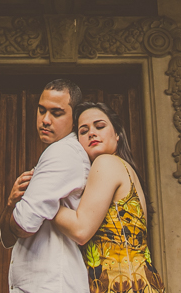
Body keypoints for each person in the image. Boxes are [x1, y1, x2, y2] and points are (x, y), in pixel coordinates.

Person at [52, 101, 165, 293]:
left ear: (117, 134)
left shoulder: (106, 163)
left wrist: (40, 202)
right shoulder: (127, 170)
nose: (92, 133)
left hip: (122, 286)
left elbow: (80, 229)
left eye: (100, 126)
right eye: (83, 130)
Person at [0, 78, 91, 293]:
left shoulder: (63, 152)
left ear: (75, 119)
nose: (45, 120)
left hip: (52, 285)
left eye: (56, 113)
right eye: (41, 111)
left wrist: (18, 212)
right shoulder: (54, 154)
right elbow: (7, 238)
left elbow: (23, 226)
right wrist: (11, 205)